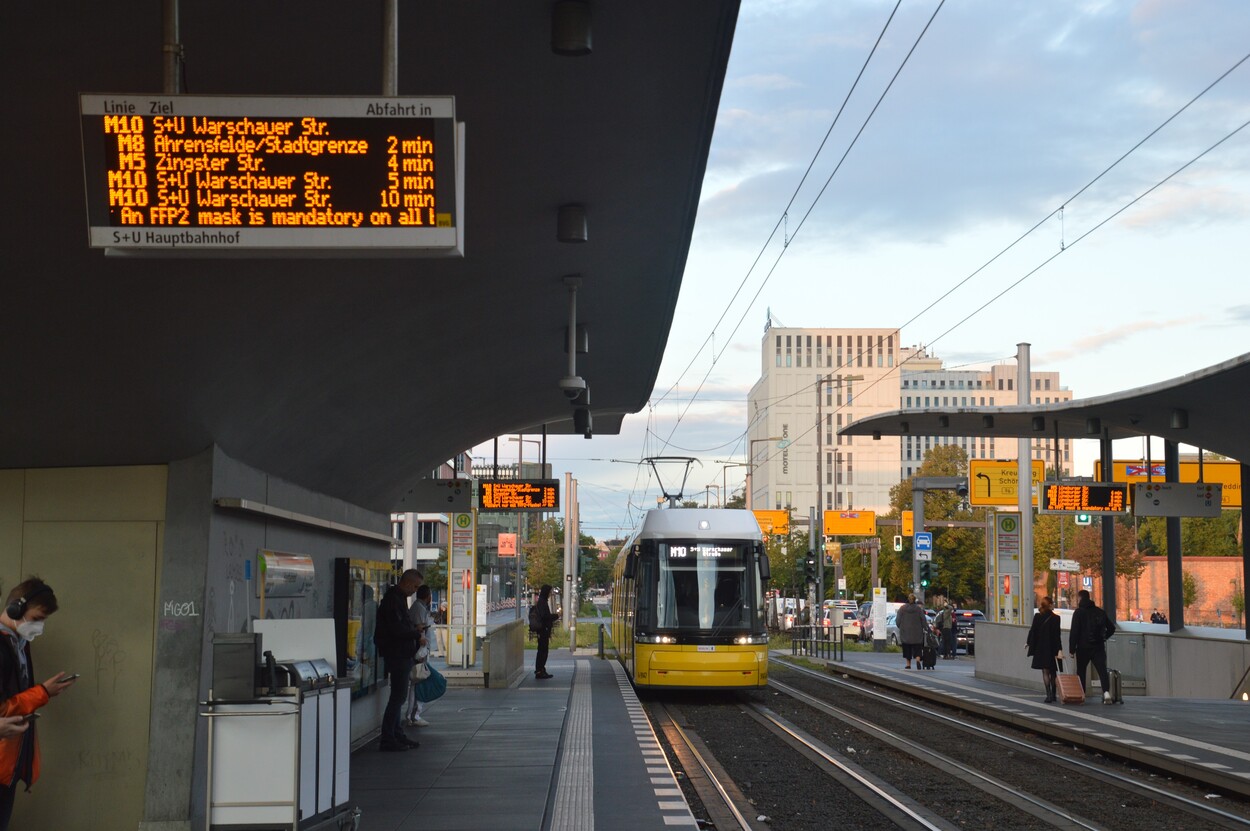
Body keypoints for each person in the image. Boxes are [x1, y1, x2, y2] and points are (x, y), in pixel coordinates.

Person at [0, 578, 77, 829]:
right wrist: (42, 693)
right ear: (15, 610)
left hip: (7, 764)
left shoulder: (19, 644)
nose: (39, 627)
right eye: (36, 619)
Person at [373, 569, 424, 751]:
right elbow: (397, 629)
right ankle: (388, 737)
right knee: (398, 697)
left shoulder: (397, 598)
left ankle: (396, 734)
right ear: (408, 583)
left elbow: (400, 625)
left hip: (399, 653)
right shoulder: (393, 600)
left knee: (398, 696)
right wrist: (416, 633)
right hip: (398, 654)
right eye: (415, 586)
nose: (415, 590)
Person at [1068, 589, 1117, 703]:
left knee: (1081, 671)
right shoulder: (1100, 612)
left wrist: (1071, 649)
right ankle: (1106, 693)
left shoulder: (1078, 613)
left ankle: (1082, 694)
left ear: (1080, 598)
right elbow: (1112, 628)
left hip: (1082, 647)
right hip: (1098, 646)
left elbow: (1074, 631)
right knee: (1102, 670)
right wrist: (1104, 637)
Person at [406, 584, 434, 727]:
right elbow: (420, 630)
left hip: (421, 650)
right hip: (420, 651)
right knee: (417, 682)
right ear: (428, 596)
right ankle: (413, 715)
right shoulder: (419, 609)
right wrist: (423, 645)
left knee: (417, 682)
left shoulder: (419, 608)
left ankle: (414, 714)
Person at [1026, 595, 1064, 702]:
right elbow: (1057, 636)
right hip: (1053, 648)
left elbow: (1032, 631)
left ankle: (1048, 695)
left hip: (1041, 648)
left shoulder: (1037, 617)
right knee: (1053, 672)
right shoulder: (1056, 618)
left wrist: (1028, 642)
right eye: (1052, 604)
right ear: (1050, 605)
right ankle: (1053, 694)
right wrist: (1059, 649)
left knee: (1045, 672)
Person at [896, 594, 927, 670]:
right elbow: (923, 619)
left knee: (907, 648)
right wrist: (924, 627)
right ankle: (918, 660)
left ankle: (908, 664)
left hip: (905, 632)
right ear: (914, 600)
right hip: (917, 632)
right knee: (917, 648)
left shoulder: (902, 609)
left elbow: (898, 620)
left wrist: (901, 626)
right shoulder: (918, 609)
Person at [533, 584, 558, 679]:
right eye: (549, 592)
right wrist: (555, 616)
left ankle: (541, 669)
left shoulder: (542, 601)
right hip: (543, 630)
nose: (550, 594)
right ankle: (540, 670)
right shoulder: (543, 602)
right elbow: (545, 616)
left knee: (542, 650)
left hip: (542, 630)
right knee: (543, 651)